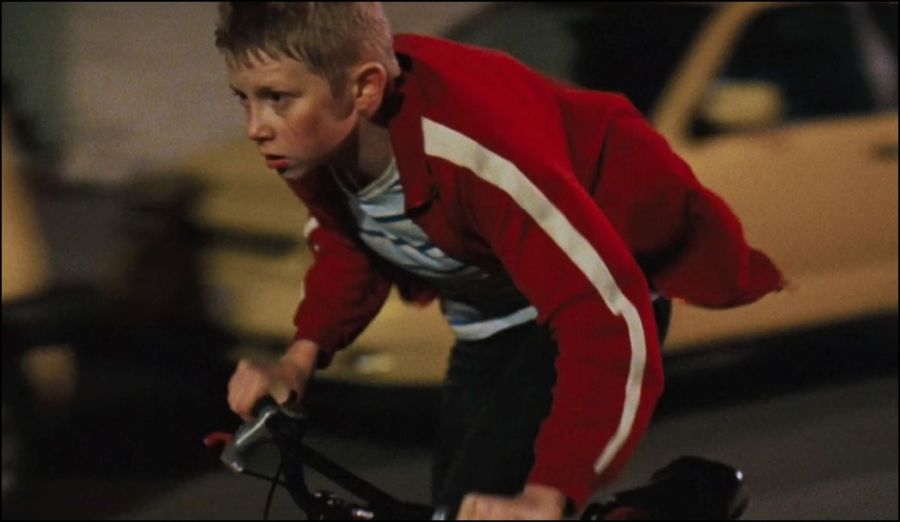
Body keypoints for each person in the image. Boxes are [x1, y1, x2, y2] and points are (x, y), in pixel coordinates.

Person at [217, 3, 784, 520]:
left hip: (592, 298)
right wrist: (298, 359)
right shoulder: (313, 150)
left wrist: (551, 490)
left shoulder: (476, 151)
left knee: (512, 503)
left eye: (278, 98)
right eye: (244, 98)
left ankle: (681, 504)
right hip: (490, 320)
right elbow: (353, 244)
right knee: (457, 509)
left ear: (364, 88)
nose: (255, 127)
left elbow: (606, 319)